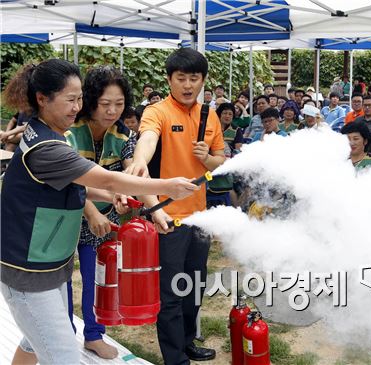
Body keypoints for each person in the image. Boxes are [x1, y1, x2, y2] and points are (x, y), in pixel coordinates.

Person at [0, 59, 199, 365]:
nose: (76, 107)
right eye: (70, 100)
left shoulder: (46, 133)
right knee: (62, 355)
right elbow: (104, 177)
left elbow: (79, 186)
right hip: (29, 271)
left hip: (46, 261)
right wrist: (167, 187)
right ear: (42, 99)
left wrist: (117, 195)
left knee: (33, 339)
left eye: (79, 99)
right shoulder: (50, 147)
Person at [125, 48, 225, 365]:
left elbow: (219, 160)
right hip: (168, 217)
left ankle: (187, 342)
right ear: (169, 79)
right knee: (170, 294)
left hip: (201, 218)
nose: (187, 85)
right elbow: (148, 138)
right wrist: (140, 161)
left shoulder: (210, 116)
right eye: (180, 78)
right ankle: (174, 358)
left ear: (203, 81)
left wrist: (206, 158)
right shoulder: (158, 112)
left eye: (193, 78)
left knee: (194, 286)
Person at [64, 65, 136, 360]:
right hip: (68, 218)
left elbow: (131, 168)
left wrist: (130, 190)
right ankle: (64, 334)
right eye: (105, 104)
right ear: (90, 100)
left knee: (100, 276)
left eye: (119, 104)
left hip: (108, 220)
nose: (112, 111)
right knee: (62, 281)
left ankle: (94, 334)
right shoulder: (69, 131)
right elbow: (69, 178)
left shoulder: (123, 134)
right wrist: (92, 213)